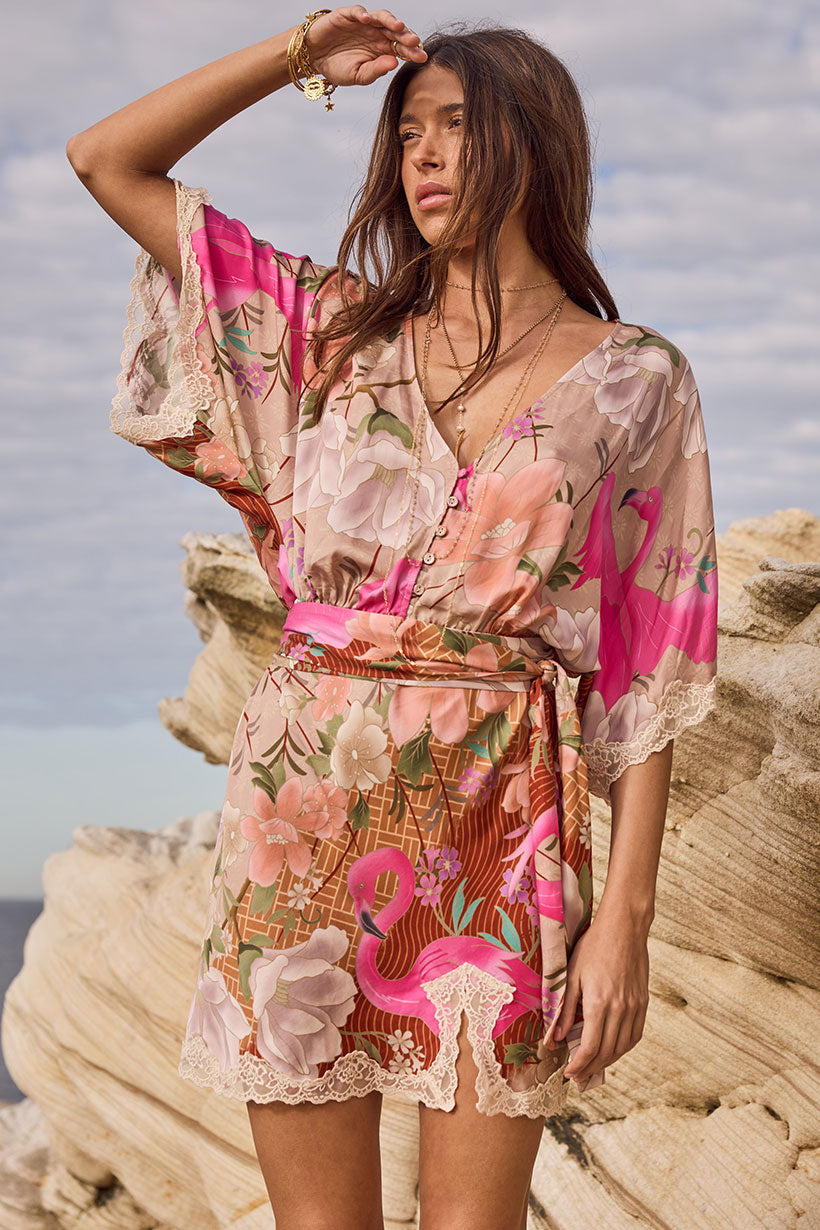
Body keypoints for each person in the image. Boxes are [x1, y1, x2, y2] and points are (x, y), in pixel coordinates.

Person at [66, 9, 719, 1229]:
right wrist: (297, 56)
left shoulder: (635, 380)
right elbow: (108, 160)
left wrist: (622, 919)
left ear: (535, 145)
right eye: (408, 133)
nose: (424, 156)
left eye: (458, 128)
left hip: (503, 825)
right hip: (303, 815)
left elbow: (647, 668)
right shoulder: (331, 335)